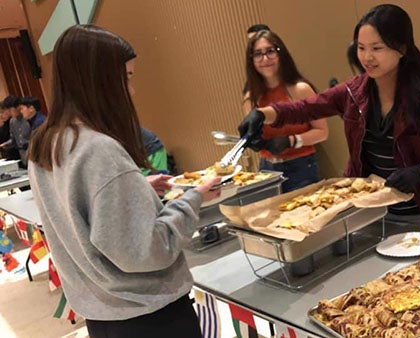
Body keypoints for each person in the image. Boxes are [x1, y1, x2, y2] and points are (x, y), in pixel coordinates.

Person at [27, 25, 221, 338]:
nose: (132, 90)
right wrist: (193, 198)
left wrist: (137, 188)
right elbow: (146, 250)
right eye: (128, 76)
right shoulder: (99, 149)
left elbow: (78, 215)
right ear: (100, 79)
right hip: (151, 318)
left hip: (102, 316)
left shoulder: (46, 143)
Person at [239, 4, 420, 228]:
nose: (367, 57)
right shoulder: (354, 92)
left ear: (402, 48)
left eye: (377, 48)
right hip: (372, 213)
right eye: (361, 47)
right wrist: (263, 114)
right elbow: (309, 107)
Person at [243, 30, 328, 192]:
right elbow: (254, 137)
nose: (265, 59)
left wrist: (291, 141)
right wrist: (253, 141)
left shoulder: (301, 90)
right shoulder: (251, 97)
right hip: (267, 170)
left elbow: (322, 132)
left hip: (302, 167)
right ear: (251, 60)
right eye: (258, 54)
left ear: (281, 53)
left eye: (270, 51)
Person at [0, 96, 30, 168]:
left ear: (18, 108)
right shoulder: (12, 121)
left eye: (10, 110)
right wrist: (6, 144)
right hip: (21, 156)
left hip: (31, 152)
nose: (10, 113)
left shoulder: (27, 118)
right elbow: (13, 139)